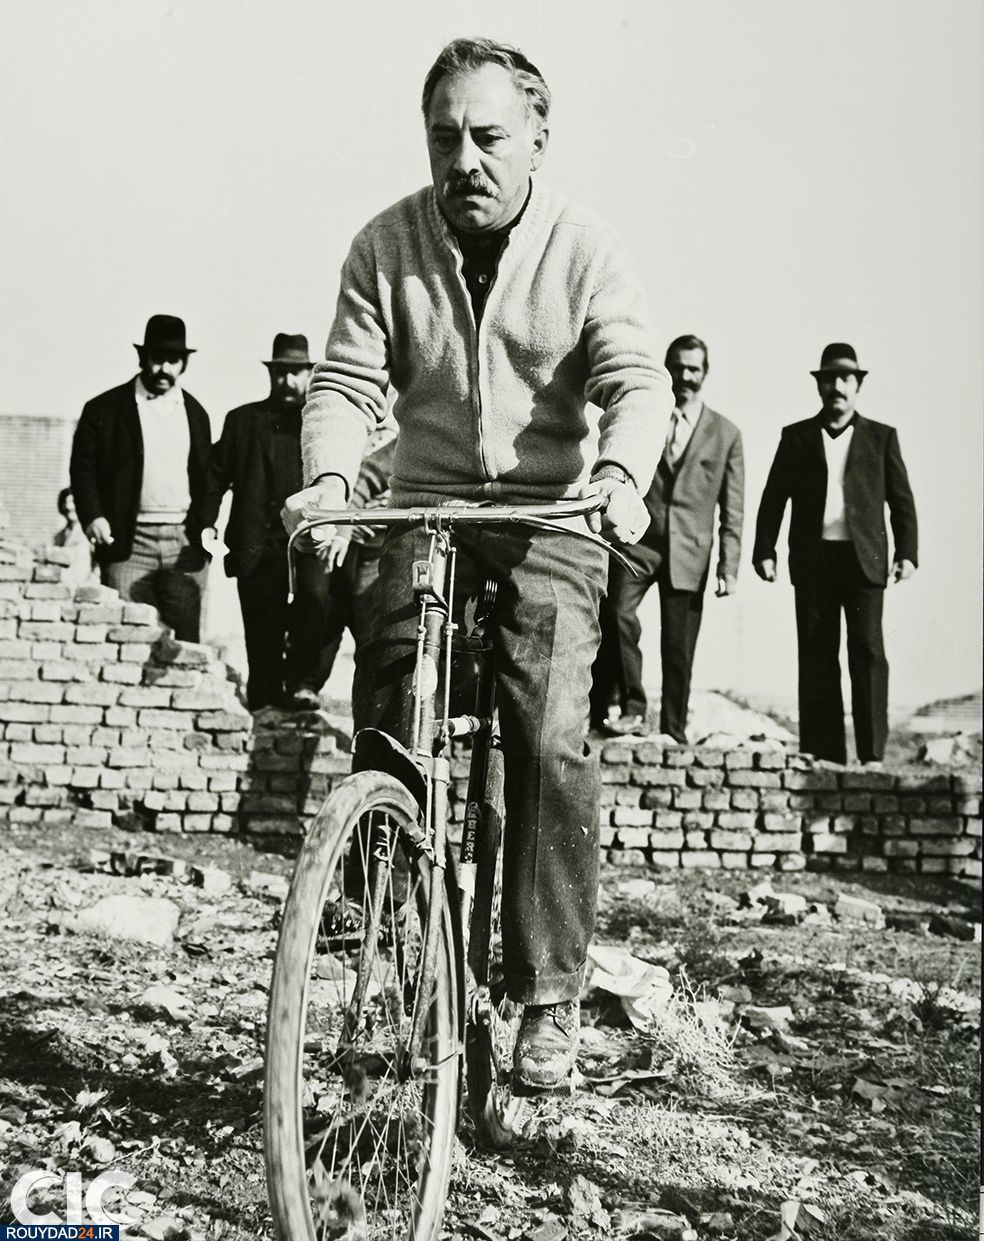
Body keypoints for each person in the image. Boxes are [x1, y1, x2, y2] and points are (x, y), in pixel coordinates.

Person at [282, 37, 673, 1090]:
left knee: (546, 726)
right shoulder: (386, 244)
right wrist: (329, 482)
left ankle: (548, 993)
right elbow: (345, 383)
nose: (465, 160)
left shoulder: (586, 248)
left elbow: (637, 381)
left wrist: (622, 470)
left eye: (489, 137)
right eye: (444, 137)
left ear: (538, 138)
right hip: (428, 504)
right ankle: (392, 914)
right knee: (388, 690)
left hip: (551, 514)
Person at [203, 333, 392, 712]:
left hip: (309, 545)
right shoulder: (242, 421)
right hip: (257, 549)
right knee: (262, 636)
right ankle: (263, 712)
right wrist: (207, 524)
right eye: (280, 372)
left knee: (315, 612)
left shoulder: (322, 425)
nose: (287, 381)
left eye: (295, 372)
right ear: (271, 374)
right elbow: (213, 478)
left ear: (308, 374)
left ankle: (298, 695)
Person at [753, 343, 918, 766]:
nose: (837, 387)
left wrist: (907, 552)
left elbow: (901, 501)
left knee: (867, 652)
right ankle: (823, 754)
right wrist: (765, 549)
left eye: (846, 379)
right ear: (820, 385)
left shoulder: (881, 437)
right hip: (814, 560)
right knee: (816, 654)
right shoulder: (796, 437)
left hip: (865, 561)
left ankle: (872, 754)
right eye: (829, 379)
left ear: (857, 385)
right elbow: (774, 497)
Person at [591, 334, 744, 740]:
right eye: (678, 367)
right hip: (637, 543)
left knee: (679, 645)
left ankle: (673, 731)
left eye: (694, 369)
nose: (686, 376)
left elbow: (734, 509)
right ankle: (632, 708)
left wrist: (728, 566)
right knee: (616, 615)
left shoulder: (727, 434)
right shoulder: (646, 419)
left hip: (690, 553)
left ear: (705, 373)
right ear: (667, 368)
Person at [69, 314, 211, 641]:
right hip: (127, 544)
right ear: (143, 358)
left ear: (184, 364)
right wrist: (93, 517)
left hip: (182, 544)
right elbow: (82, 469)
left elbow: (207, 479)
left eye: (173, 361)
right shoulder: (104, 409)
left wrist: (204, 527)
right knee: (126, 636)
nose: (164, 369)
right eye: (157, 359)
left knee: (183, 643)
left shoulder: (196, 413)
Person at [52, 487, 95, 586]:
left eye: (73, 502)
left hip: (84, 585)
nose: (68, 507)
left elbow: (97, 565)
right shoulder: (59, 535)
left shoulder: (90, 532)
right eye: (65, 502)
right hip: (61, 586)